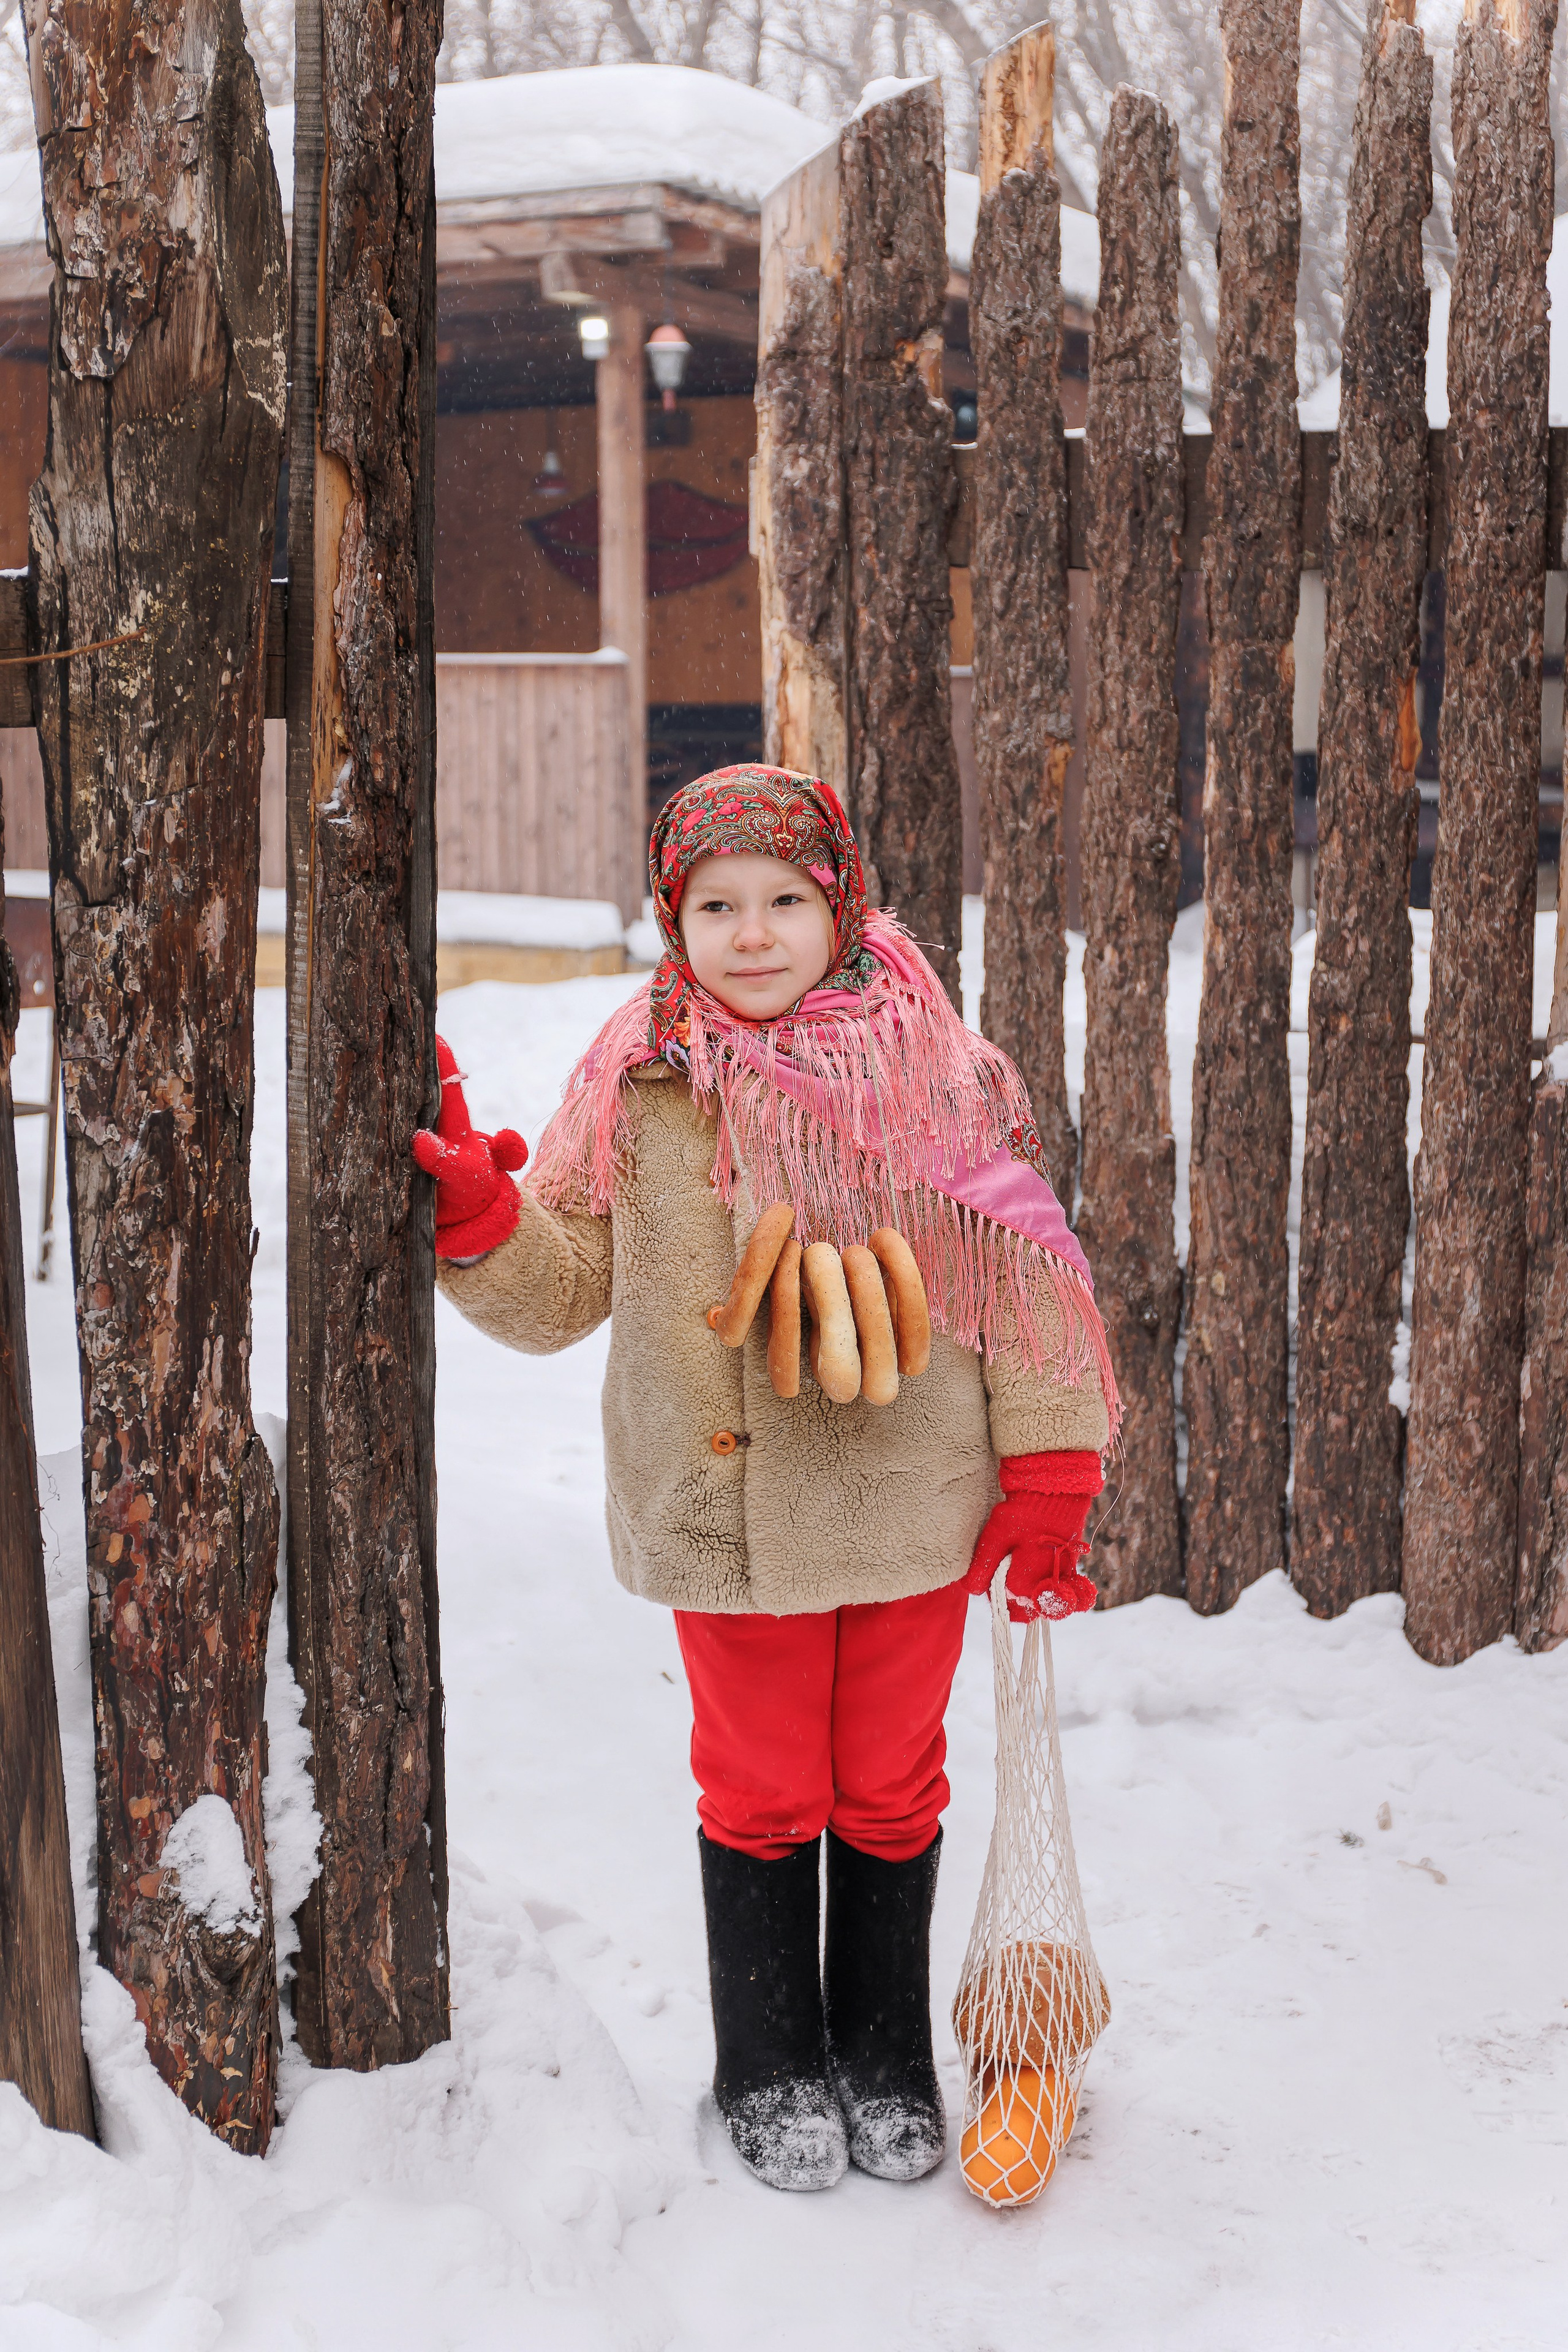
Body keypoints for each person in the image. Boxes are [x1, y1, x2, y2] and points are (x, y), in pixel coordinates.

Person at [412, 767, 1117, 2194]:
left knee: (890, 1783)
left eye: (784, 899)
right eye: (714, 905)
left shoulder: (938, 1076)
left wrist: (1046, 1483)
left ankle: (884, 2052)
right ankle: (767, 2060)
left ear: (838, 906)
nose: (750, 933)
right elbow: (565, 1287)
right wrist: (485, 1221)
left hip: (912, 1502)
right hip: (726, 1517)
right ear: (670, 921)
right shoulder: (640, 1087)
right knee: (760, 1783)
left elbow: (1024, 1282)